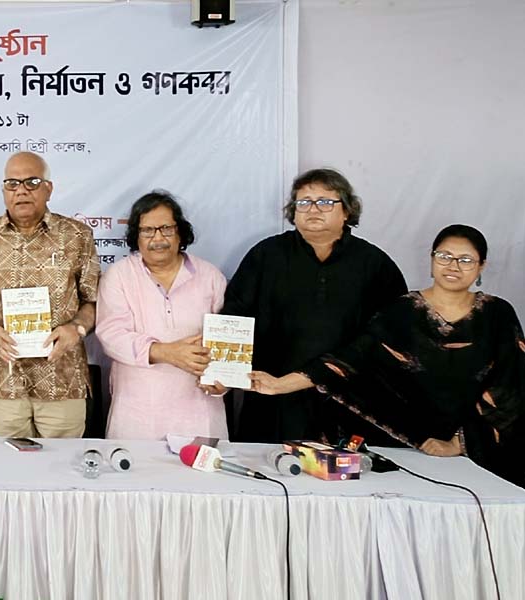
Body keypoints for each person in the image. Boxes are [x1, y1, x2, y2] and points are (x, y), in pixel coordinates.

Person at [249, 225, 524, 486]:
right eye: (444, 256)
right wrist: (279, 384)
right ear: (432, 260)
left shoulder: (498, 314)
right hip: (406, 447)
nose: (453, 266)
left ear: (481, 266)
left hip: (478, 453)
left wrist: (459, 442)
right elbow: (351, 358)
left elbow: (512, 382)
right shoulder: (402, 311)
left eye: (465, 260)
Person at [222, 168, 407, 443]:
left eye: (325, 202)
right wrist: (223, 374)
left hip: (349, 402)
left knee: (343, 468)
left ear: (347, 211)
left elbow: (390, 338)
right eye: (304, 202)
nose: (313, 209)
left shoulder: (375, 264)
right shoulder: (266, 255)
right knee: (268, 466)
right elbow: (234, 317)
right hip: (272, 394)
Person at [0, 152, 100, 438]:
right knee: (9, 463)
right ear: (3, 191)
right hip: (4, 380)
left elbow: (93, 301)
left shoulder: (76, 236)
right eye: (12, 183)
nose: (21, 190)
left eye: (32, 182)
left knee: (63, 464)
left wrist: (77, 328)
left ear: (49, 188)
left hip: (62, 379)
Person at [96, 191, 227, 439]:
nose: (158, 238)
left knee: (202, 465)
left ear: (180, 232)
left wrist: (223, 381)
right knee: (134, 464)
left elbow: (228, 338)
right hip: (137, 413)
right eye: (147, 230)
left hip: (199, 411)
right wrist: (166, 352)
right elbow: (112, 336)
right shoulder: (119, 276)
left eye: (166, 229)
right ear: (136, 236)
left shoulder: (211, 276)